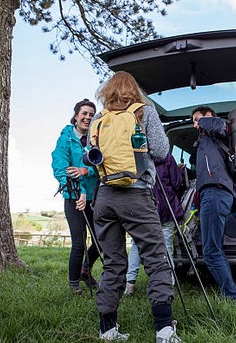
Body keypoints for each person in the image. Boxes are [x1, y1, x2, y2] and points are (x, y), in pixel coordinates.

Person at [92, 71, 180, 342]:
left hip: (104, 196)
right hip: (136, 194)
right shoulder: (145, 112)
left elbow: (92, 156)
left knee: (113, 262)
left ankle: (107, 330)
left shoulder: (99, 118)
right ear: (135, 91)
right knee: (156, 258)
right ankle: (164, 330)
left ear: (108, 90)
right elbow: (162, 150)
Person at [191, 106, 236, 301]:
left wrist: (203, 120)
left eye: (197, 119)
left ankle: (231, 297)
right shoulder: (207, 139)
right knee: (215, 248)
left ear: (208, 117)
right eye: (194, 121)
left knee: (210, 251)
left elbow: (219, 125)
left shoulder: (218, 129)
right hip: (213, 193)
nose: (195, 124)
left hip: (215, 192)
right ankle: (230, 294)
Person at [51, 98, 100, 295]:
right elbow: (60, 168)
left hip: (95, 197)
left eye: (91, 114)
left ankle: (85, 270)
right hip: (73, 198)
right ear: (76, 115)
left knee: (101, 241)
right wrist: (78, 189)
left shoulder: (96, 140)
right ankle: (73, 286)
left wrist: (85, 171)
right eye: (84, 113)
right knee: (79, 242)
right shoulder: (65, 138)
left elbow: (101, 167)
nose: (87, 117)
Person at [124, 152, 186, 295]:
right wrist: (180, 171)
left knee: (137, 245)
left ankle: (130, 283)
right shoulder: (167, 157)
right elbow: (177, 183)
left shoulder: (137, 155)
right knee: (166, 247)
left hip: (144, 207)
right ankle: (169, 283)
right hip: (166, 207)